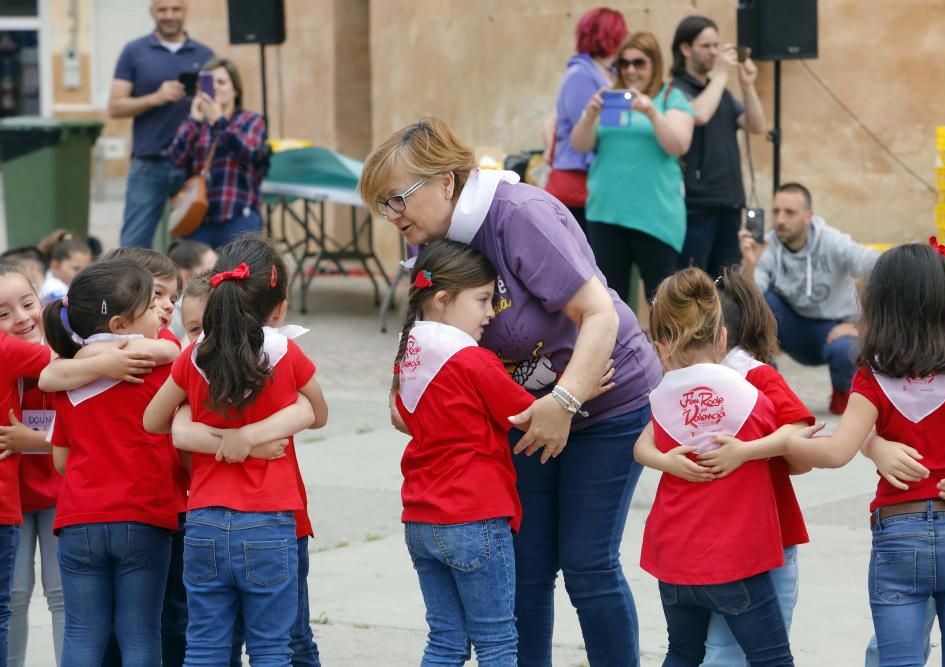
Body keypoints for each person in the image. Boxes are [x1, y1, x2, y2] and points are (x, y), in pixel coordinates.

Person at [360, 117, 660, 667]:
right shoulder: (432, 243)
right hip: (526, 415)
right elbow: (427, 335)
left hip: (605, 401)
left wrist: (565, 402)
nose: (393, 215)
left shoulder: (521, 215)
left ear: (446, 182)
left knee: (588, 564)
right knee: (526, 564)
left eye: (398, 198)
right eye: (383, 205)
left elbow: (597, 314)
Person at [789, 242, 945, 666]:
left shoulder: (872, 380)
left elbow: (835, 454)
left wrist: (785, 442)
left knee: (897, 660)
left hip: (899, 534)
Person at [143, 237, 327, 665]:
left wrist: (202, 431)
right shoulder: (285, 352)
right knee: (270, 649)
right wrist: (250, 438)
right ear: (277, 309)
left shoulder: (193, 358)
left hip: (205, 518)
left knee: (205, 645)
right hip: (270, 519)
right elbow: (317, 411)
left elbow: (153, 421)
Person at [634, 267, 794, 666]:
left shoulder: (659, 399)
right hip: (734, 558)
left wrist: (664, 461)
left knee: (682, 654)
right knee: (772, 658)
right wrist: (748, 449)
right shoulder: (750, 396)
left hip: (672, 561)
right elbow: (795, 441)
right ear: (722, 339)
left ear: (661, 347)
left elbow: (641, 444)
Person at [862, 219, 945, 666]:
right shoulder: (910, 352)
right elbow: (864, 419)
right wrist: (875, 446)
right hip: (939, 522)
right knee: (894, 645)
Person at [390, 239, 534, 665]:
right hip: (474, 514)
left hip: (420, 516)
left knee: (446, 641)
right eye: (483, 299)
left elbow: (401, 414)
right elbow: (525, 414)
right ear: (442, 300)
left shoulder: (407, 353)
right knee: (496, 643)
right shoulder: (473, 360)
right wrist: (575, 392)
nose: (491, 313)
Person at [38, 259, 180, 667]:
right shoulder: (159, 367)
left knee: (82, 634)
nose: (161, 314)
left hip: (79, 517)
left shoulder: (68, 375)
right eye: (151, 307)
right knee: (140, 634)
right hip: (144, 513)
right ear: (120, 324)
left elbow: (62, 460)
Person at [699, 268, 815, 665]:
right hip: (737, 541)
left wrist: (744, 452)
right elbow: (800, 457)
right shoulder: (707, 380)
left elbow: (800, 438)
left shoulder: (754, 375)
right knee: (734, 654)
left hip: (755, 540)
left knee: (736, 652)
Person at [571, 31, 695, 304]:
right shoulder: (610, 99)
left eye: (639, 63)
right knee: (611, 301)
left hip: (655, 216)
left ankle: (662, 349)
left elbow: (678, 145)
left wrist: (651, 112)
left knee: (663, 303)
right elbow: (580, 145)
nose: (630, 70)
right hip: (606, 213)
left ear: (655, 64)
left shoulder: (670, 98)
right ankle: (618, 349)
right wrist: (589, 115)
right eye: (624, 63)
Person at [739, 183, 880, 414]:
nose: (780, 219)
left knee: (845, 349)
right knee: (761, 303)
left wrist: (862, 325)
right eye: (776, 211)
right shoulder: (767, 245)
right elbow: (749, 296)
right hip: (794, 330)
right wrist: (750, 264)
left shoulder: (832, 241)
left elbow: (874, 266)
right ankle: (766, 390)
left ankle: (843, 393)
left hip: (836, 329)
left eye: (789, 212)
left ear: (808, 216)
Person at [110, 0, 214, 249]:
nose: (169, 16)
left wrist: (203, 101)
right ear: (152, 12)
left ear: (185, 11)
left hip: (193, 166)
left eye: (175, 9)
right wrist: (156, 98)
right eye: (162, 10)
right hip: (149, 163)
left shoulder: (205, 55)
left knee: (196, 248)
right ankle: (131, 289)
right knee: (133, 247)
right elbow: (115, 107)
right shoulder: (134, 51)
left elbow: (215, 109)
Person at [669, 15, 767, 278]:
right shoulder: (675, 91)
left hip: (729, 204)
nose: (714, 52)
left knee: (727, 287)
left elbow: (757, 125)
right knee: (693, 287)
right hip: (697, 207)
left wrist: (747, 86)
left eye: (716, 45)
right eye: (706, 46)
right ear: (685, 48)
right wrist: (723, 73)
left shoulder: (720, 92)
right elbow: (698, 114)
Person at [0, 265, 63, 667]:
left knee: (61, 596)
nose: (22, 318)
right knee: (15, 595)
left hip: (60, 490)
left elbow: (88, 432)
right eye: (3, 313)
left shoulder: (65, 358)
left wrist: (36, 441)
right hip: (13, 500)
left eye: (28, 304)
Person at [167, 58, 268, 249]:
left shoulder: (251, 120)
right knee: (198, 277)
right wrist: (194, 121)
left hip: (238, 217)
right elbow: (175, 158)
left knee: (237, 277)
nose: (215, 88)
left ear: (235, 90)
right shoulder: (195, 123)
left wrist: (219, 120)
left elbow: (249, 152)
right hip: (198, 219)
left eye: (221, 82)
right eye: (209, 83)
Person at [546, 7, 627, 234]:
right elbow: (585, 126)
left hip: (598, 179)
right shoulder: (580, 74)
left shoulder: (602, 71)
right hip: (578, 176)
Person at [37, 233, 92, 305]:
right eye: (76, 268)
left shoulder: (65, 285)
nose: (82, 274)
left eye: (86, 269)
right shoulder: (54, 289)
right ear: (55, 266)